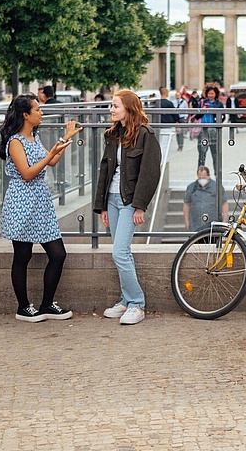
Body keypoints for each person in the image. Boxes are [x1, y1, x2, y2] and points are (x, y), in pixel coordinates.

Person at [0, 94, 81, 321]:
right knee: (22, 255)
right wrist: (52, 153)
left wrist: (64, 139)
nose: (41, 113)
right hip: (22, 201)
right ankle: (23, 307)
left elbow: (51, 162)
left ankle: (46, 305)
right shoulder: (15, 141)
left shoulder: (34, 136)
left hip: (40, 201)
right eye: (37, 110)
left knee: (58, 254)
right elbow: (27, 173)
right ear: (26, 115)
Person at [94, 89, 161, 326]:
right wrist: (101, 206)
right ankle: (126, 300)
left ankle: (137, 304)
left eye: (115, 106)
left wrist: (140, 206)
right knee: (122, 252)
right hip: (111, 200)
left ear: (128, 108)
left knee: (119, 252)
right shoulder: (113, 134)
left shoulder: (146, 135)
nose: (110, 110)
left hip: (129, 201)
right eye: (111, 106)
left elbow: (150, 173)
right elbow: (105, 170)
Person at [183, 165, 228, 231]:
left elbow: (224, 203)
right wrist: (186, 221)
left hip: (213, 224)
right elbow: (186, 205)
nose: (202, 179)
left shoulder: (216, 187)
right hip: (195, 225)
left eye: (204, 177)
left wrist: (225, 220)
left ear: (208, 176)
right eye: (200, 177)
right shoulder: (192, 187)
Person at [197, 85, 224, 174]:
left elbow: (222, 117)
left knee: (215, 154)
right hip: (203, 130)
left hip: (214, 130)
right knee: (202, 154)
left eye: (212, 93)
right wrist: (203, 110)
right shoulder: (202, 102)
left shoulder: (219, 104)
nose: (210, 95)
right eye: (209, 93)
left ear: (215, 94)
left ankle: (217, 174)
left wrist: (214, 112)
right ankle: (200, 174)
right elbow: (197, 116)